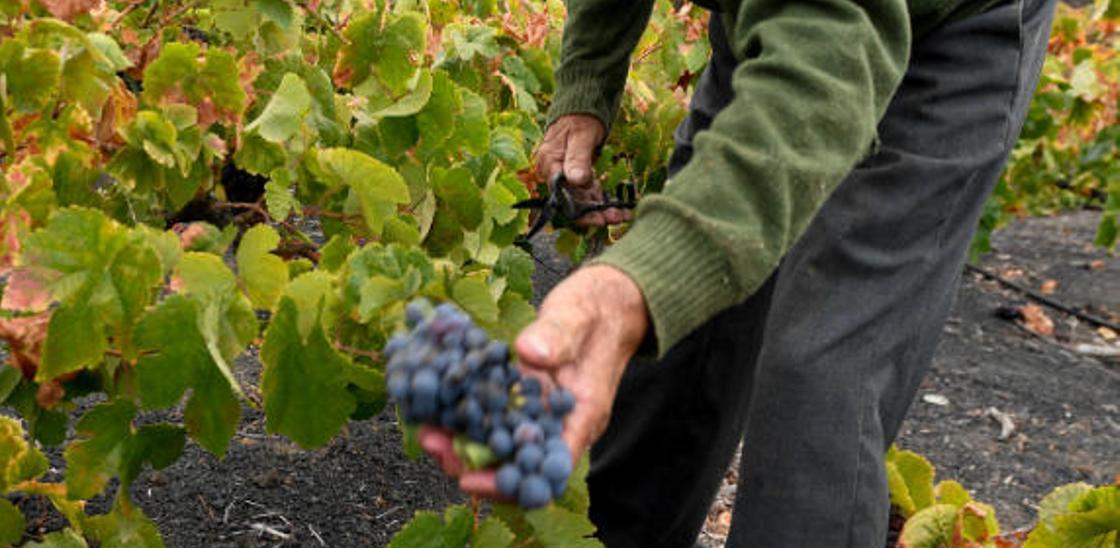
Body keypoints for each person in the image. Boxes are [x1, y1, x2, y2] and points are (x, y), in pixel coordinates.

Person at [420, 0, 1057, 545]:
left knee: (821, 373)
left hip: (949, 37)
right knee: (684, 341)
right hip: (782, 26)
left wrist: (636, 285)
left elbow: (826, 64)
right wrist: (587, 86)